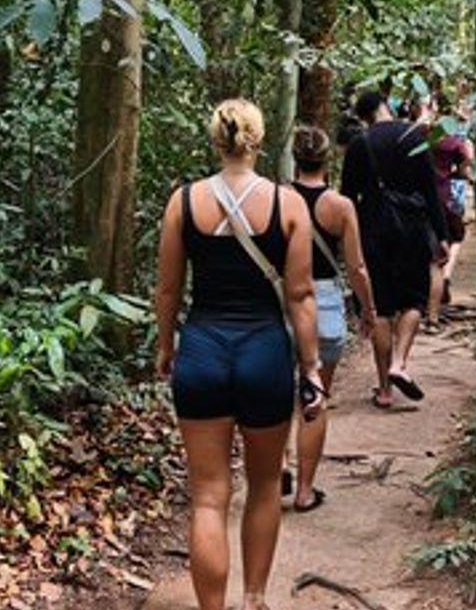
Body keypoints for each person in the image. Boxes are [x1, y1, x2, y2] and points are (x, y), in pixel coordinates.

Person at [154, 99, 325, 610]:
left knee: (208, 494)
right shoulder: (288, 204)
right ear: (259, 140)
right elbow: (300, 296)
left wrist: (167, 347)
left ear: (216, 140)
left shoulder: (183, 202)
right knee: (265, 484)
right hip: (265, 355)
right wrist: (311, 367)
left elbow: (167, 291)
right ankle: (253, 599)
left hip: (203, 351)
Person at [287, 124, 379, 512]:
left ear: (294, 157)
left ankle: (278, 467)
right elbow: (356, 267)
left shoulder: (277, 199)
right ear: (329, 159)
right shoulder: (340, 207)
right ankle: (305, 490)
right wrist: (368, 309)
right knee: (315, 398)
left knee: (277, 395)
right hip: (322, 301)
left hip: (282, 302)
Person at [341, 89, 449, 407]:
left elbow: (348, 195)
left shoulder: (360, 143)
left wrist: (347, 237)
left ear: (364, 116)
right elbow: (430, 190)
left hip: (373, 230)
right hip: (413, 228)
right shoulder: (413, 136)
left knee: (382, 308)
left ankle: (385, 389)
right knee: (414, 300)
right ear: (385, 106)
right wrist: (440, 235)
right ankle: (399, 362)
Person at [425, 92, 474, 331]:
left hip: (417, 202)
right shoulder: (454, 140)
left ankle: (413, 310)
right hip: (445, 199)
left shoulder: (422, 135)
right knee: (439, 258)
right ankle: (432, 318)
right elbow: (466, 166)